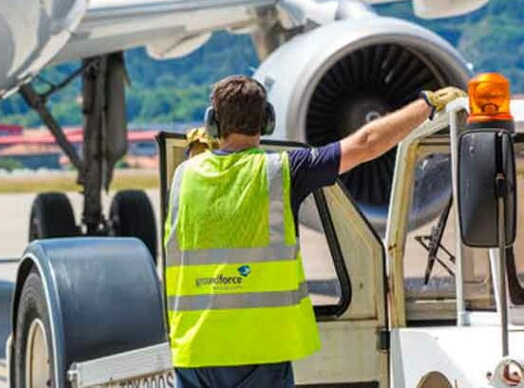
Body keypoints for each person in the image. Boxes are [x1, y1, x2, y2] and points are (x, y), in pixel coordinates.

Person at [168, 75, 465, 388]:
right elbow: (366, 143)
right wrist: (426, 105)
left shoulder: (184, 176)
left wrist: (202, 152)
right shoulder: (283, 170)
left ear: (212, 122)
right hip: (258, 354)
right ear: (267, 120)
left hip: (194, 351)